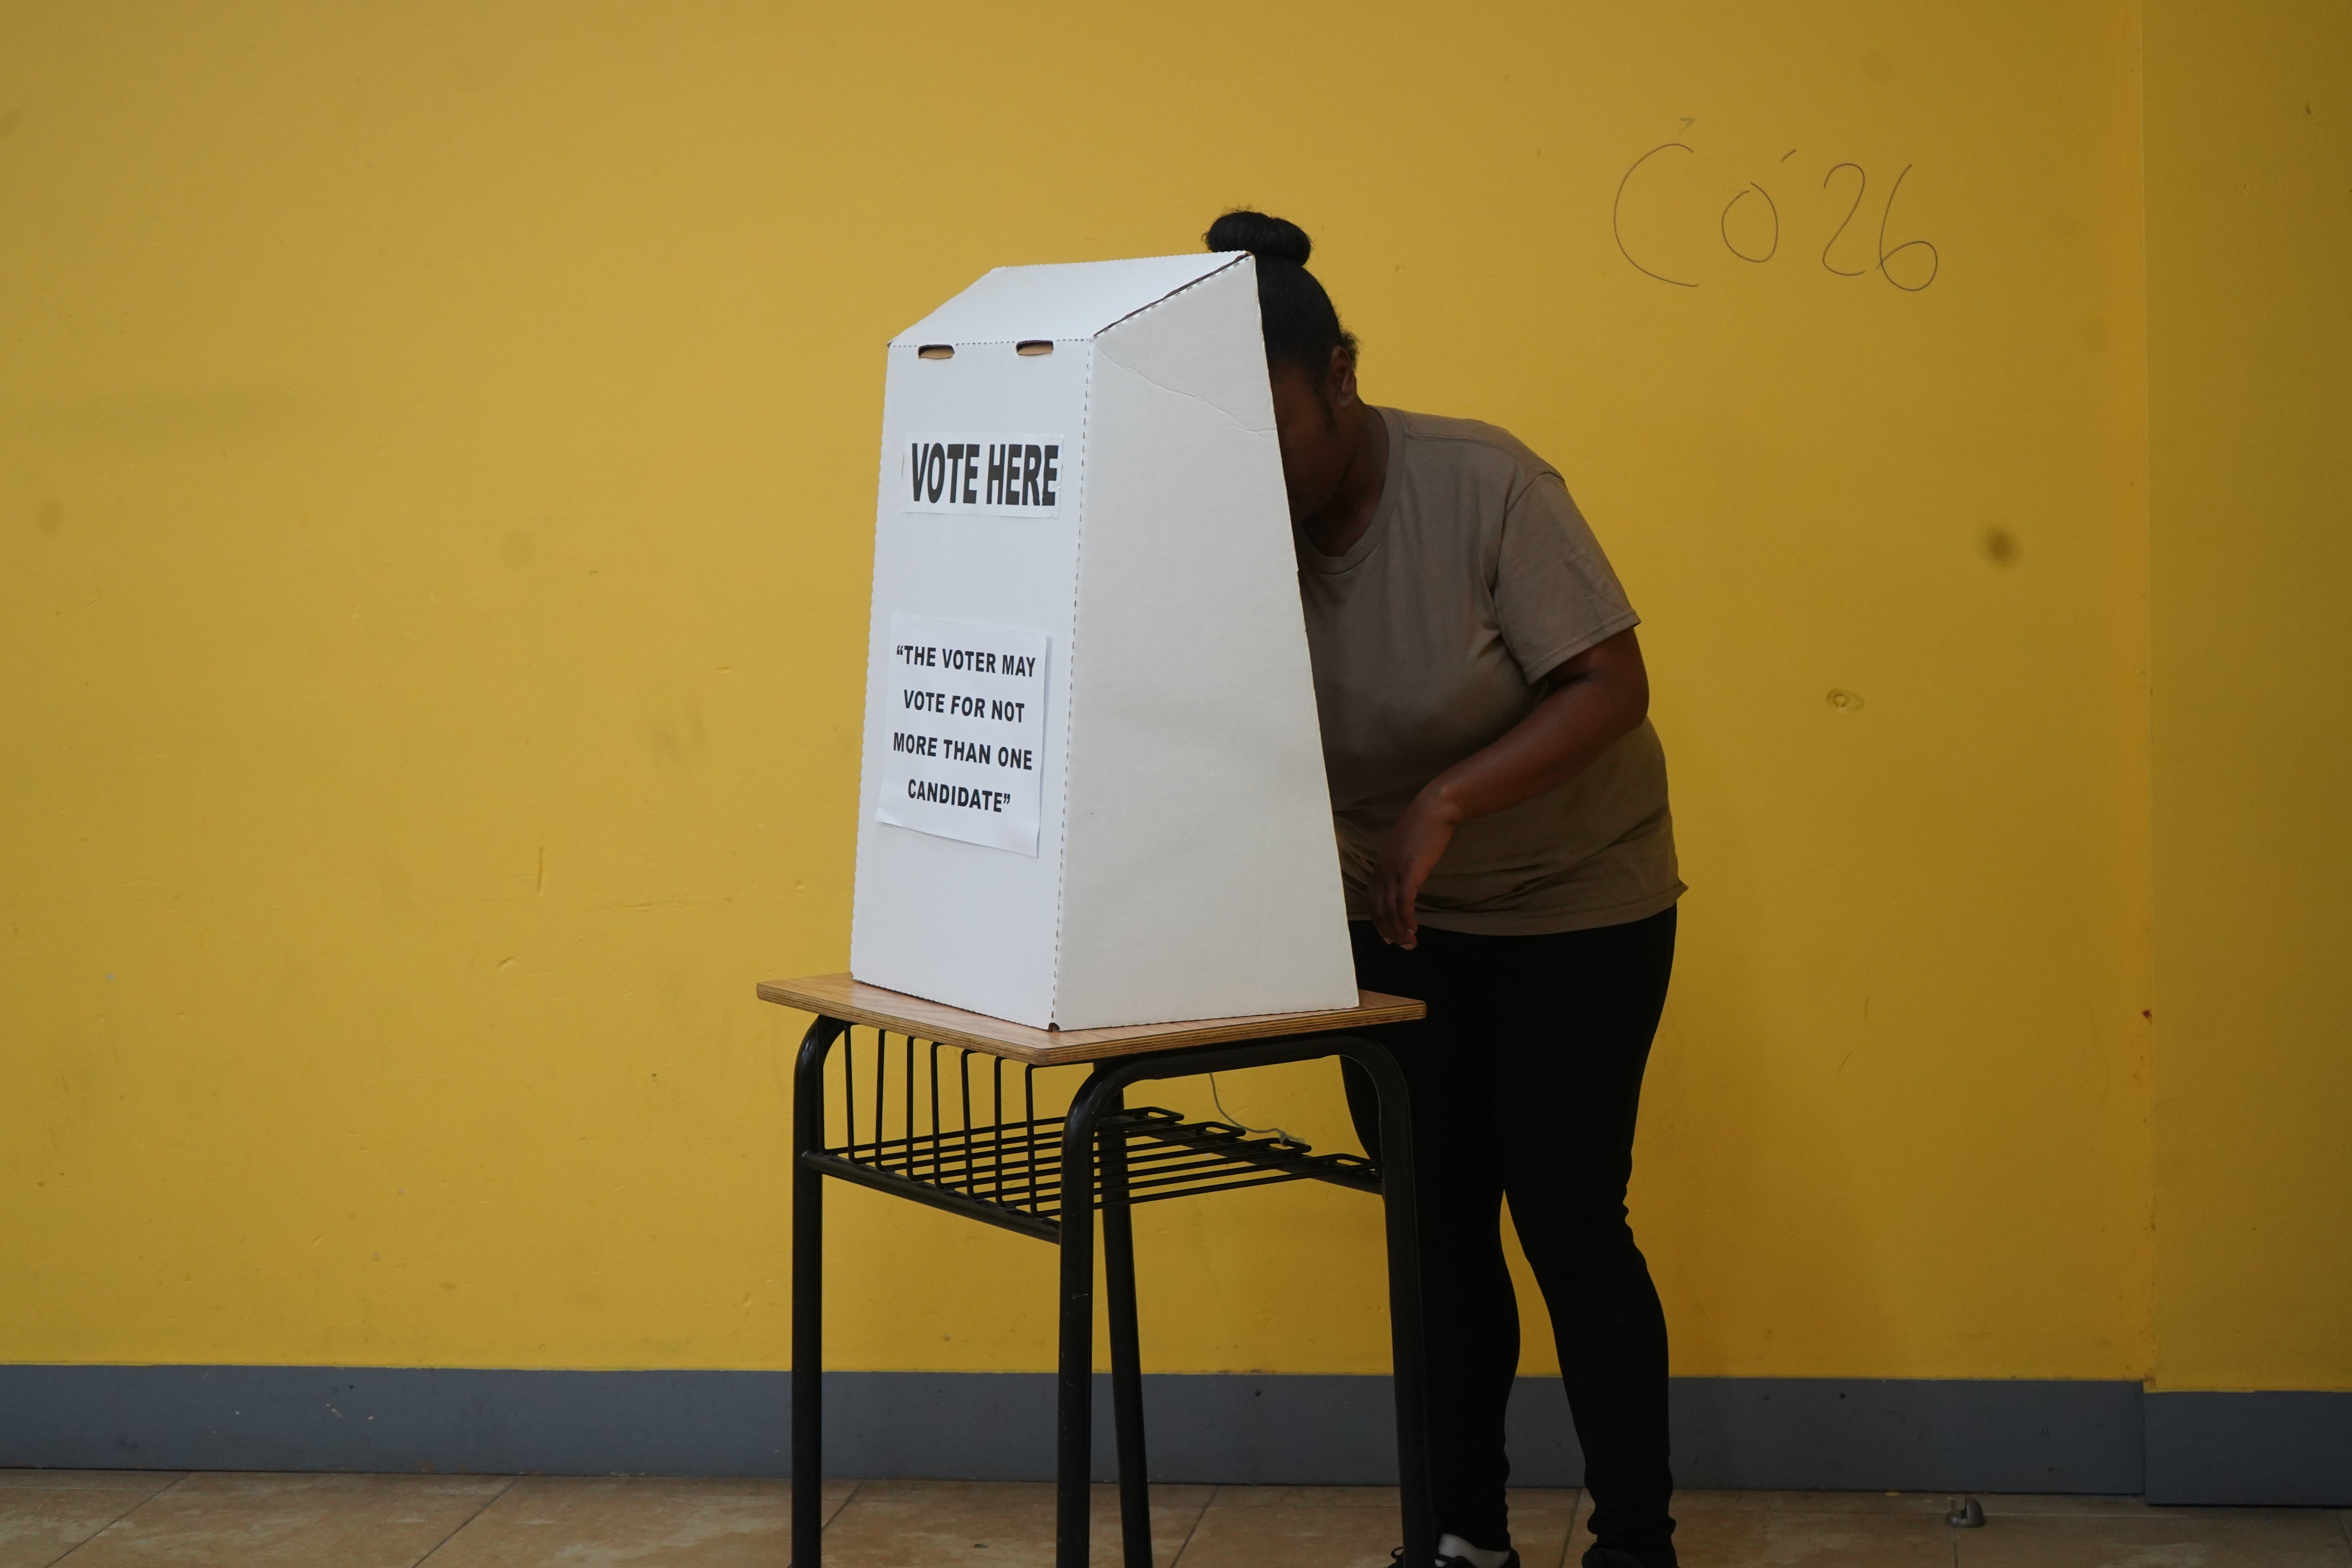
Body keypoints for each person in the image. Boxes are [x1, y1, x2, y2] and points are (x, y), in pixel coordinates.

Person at [1204, 210, 1685, 1568]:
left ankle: (1635, 1539)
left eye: (1279, 426)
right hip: (1391, 919)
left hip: (1575, 903)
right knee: (1436, 1229)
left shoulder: (1486, 485)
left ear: (1341, 377)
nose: (1261, 468)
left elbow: (1611, 685)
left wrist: (1449, 798)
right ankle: (1465, 1535)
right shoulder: (1222, 529)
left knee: (1568, 1214)